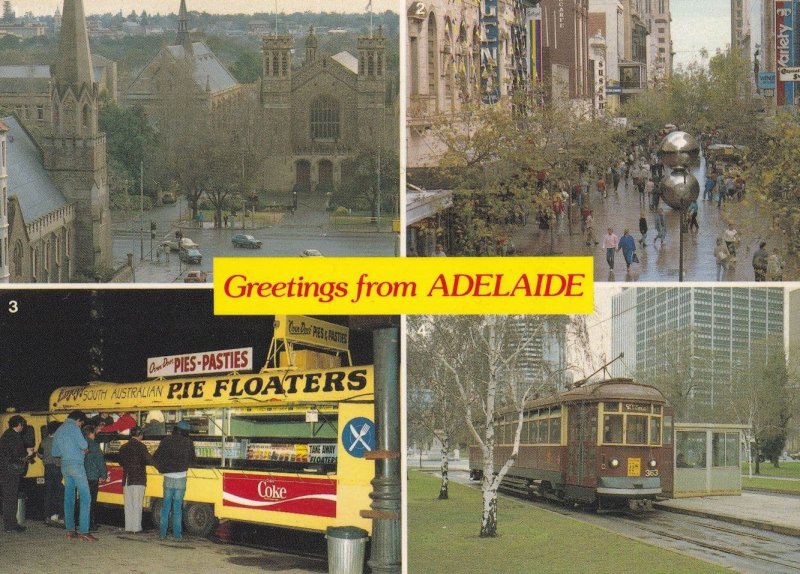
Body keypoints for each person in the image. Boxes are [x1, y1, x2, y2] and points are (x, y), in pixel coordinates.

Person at [52, 410, 96, 541]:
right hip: (76, 465)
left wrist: (69, 450)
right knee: (86, 497)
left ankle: (70, 530)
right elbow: (83, 444)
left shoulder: (59, 429)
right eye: (81, 423)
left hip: (65, 466)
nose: (81, 426)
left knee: (69, 498)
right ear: (78, 420)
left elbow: (55, 452)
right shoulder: (74, 427)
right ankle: (84, 531)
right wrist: (82, 451)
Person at [153, 420, 196, 541]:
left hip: (168, 477)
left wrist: (162, 468)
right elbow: (193, 461)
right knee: (177, 508)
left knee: (166, 507)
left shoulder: (166, 440)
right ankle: (177, 535)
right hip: (181, 478)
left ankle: (162, 534)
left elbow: (156, 457)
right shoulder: (189, 442)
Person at [118, 426, 154, 533]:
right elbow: (149, 460)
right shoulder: (141, 446)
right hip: (138, 479)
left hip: (127, 479)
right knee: (137, 504)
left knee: (128, 505)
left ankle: (128, 528)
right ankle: (136, 528)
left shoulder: (123, 447)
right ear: (140, 435)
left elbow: (120, 462)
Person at [0, 415, 28, 533]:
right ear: (19, 425)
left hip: (4, 470)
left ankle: (9, 524)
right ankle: (11, 525)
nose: (23, 427)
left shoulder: (6, 435)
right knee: (11, 498)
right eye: (23, 425)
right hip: (11, 471)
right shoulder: (14, 437)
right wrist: (27, 455)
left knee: (7, 497)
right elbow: (17, 455)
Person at [38, 421, 64, 526]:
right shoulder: (61, 441)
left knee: (48, 493)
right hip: (58, 468)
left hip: (48, 469)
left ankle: (47, 517)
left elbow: (39, 455)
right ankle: (61, 517)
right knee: (60, 493)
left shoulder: (44, 441)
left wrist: (46, 457)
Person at [82, 425, 107, 533]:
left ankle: (83, 522)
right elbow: (100, 461)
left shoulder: (80, 444)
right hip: (92, 477)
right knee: (91, 501)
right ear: (91, 433)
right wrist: (103, 474)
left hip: (82, 476)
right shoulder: (94, 445)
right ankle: (91, 524)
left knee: (83, 500)